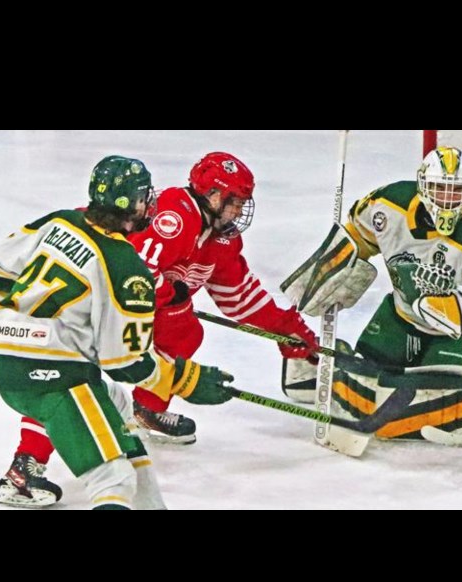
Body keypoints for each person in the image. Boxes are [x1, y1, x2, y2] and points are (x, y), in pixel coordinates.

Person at [0, 156, 235, 509]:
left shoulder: (60, 221)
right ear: (133, 204)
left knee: (116, 404)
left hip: (5, 358)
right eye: (146, 196)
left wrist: (20, 320)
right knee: (112, 479)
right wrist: (185, 379)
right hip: (56, 375)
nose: (151, 203)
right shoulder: (124, 266)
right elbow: (126, 363)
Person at [281, 146, 462, 441]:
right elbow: (359, 236)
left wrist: (455, 309)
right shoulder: (388, 203)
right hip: (403, 315)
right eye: (439, 188)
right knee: (369, 378)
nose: (447, 200)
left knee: (426, 404)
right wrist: (334, 268)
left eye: (456, 191)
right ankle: (332, 369)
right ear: (423, 185)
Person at [124, 151, 319, 444]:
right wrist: (170, 297)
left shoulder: (220, 238)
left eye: (242, 204)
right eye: (234, 202)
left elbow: (238, 296)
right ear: (213, 194)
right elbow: (132, 270)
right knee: (181, 327)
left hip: (139, 305)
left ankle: (147, 406)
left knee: (184, 330)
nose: (239, 212)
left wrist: (286, 328)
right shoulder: (175, 215)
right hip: (101, 296)